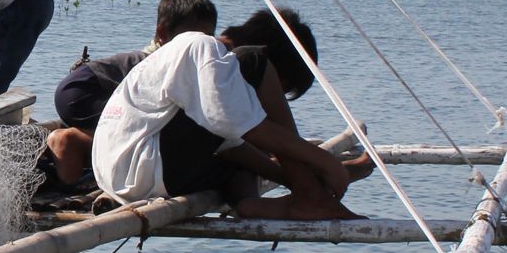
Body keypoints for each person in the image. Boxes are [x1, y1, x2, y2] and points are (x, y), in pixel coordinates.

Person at [90, 21, 358, 220]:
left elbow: (233, 145)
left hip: (132, 174)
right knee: (253, 66)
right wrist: (324, 162)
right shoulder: (201, 47)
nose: (267, 102)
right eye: (275, 89)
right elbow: (250, 128)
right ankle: (311, 198)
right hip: (138, 167)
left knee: (241, 156)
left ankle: (252, 203)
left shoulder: (209, 73)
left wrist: (292, 177)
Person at [43, 0, 216, 186]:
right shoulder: (163, 61)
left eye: (208, 39)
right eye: (192, 39)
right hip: (85, 91)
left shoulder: (165, 54)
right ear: (162, 33)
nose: (201, 46)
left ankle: (76, 149)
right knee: (138, 131)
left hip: (80, 87)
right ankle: (70, 143)